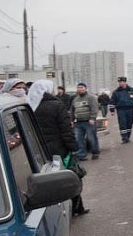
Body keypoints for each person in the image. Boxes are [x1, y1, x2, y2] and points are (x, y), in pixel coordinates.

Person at [29, 79, 89, 215]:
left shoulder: (30, 106)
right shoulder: (57, 105)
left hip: (38, 150)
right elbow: (66, 130)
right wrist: (73, 147)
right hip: (58, 149)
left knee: (45, 179)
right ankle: (76, 207)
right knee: (68, 177)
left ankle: (50, 210)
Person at [71, 83, 100, 160]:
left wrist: (92, 118)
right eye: (78, 88)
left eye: (81, 87)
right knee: (79, 139)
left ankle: (95, 152)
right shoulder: (75, 99)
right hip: (78, 122)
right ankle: (81, 155)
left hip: (89, 122)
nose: (80, 89)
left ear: (85, 89)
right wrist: (72, 120)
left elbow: (94, 108)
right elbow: (72, 110)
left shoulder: (90, 98)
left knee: (91, 138)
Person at [110, 76, 133, 143]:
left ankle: (128, 136)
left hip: (130, 109)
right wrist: (112, 110)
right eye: (120, 82)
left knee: (130, 123)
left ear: (125, 82)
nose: (121, 83)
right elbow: (112, 101)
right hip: (120, 109)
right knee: (122, 123)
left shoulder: (131, 90)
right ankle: (124, 138)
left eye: (122, 82)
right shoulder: (116, 92)